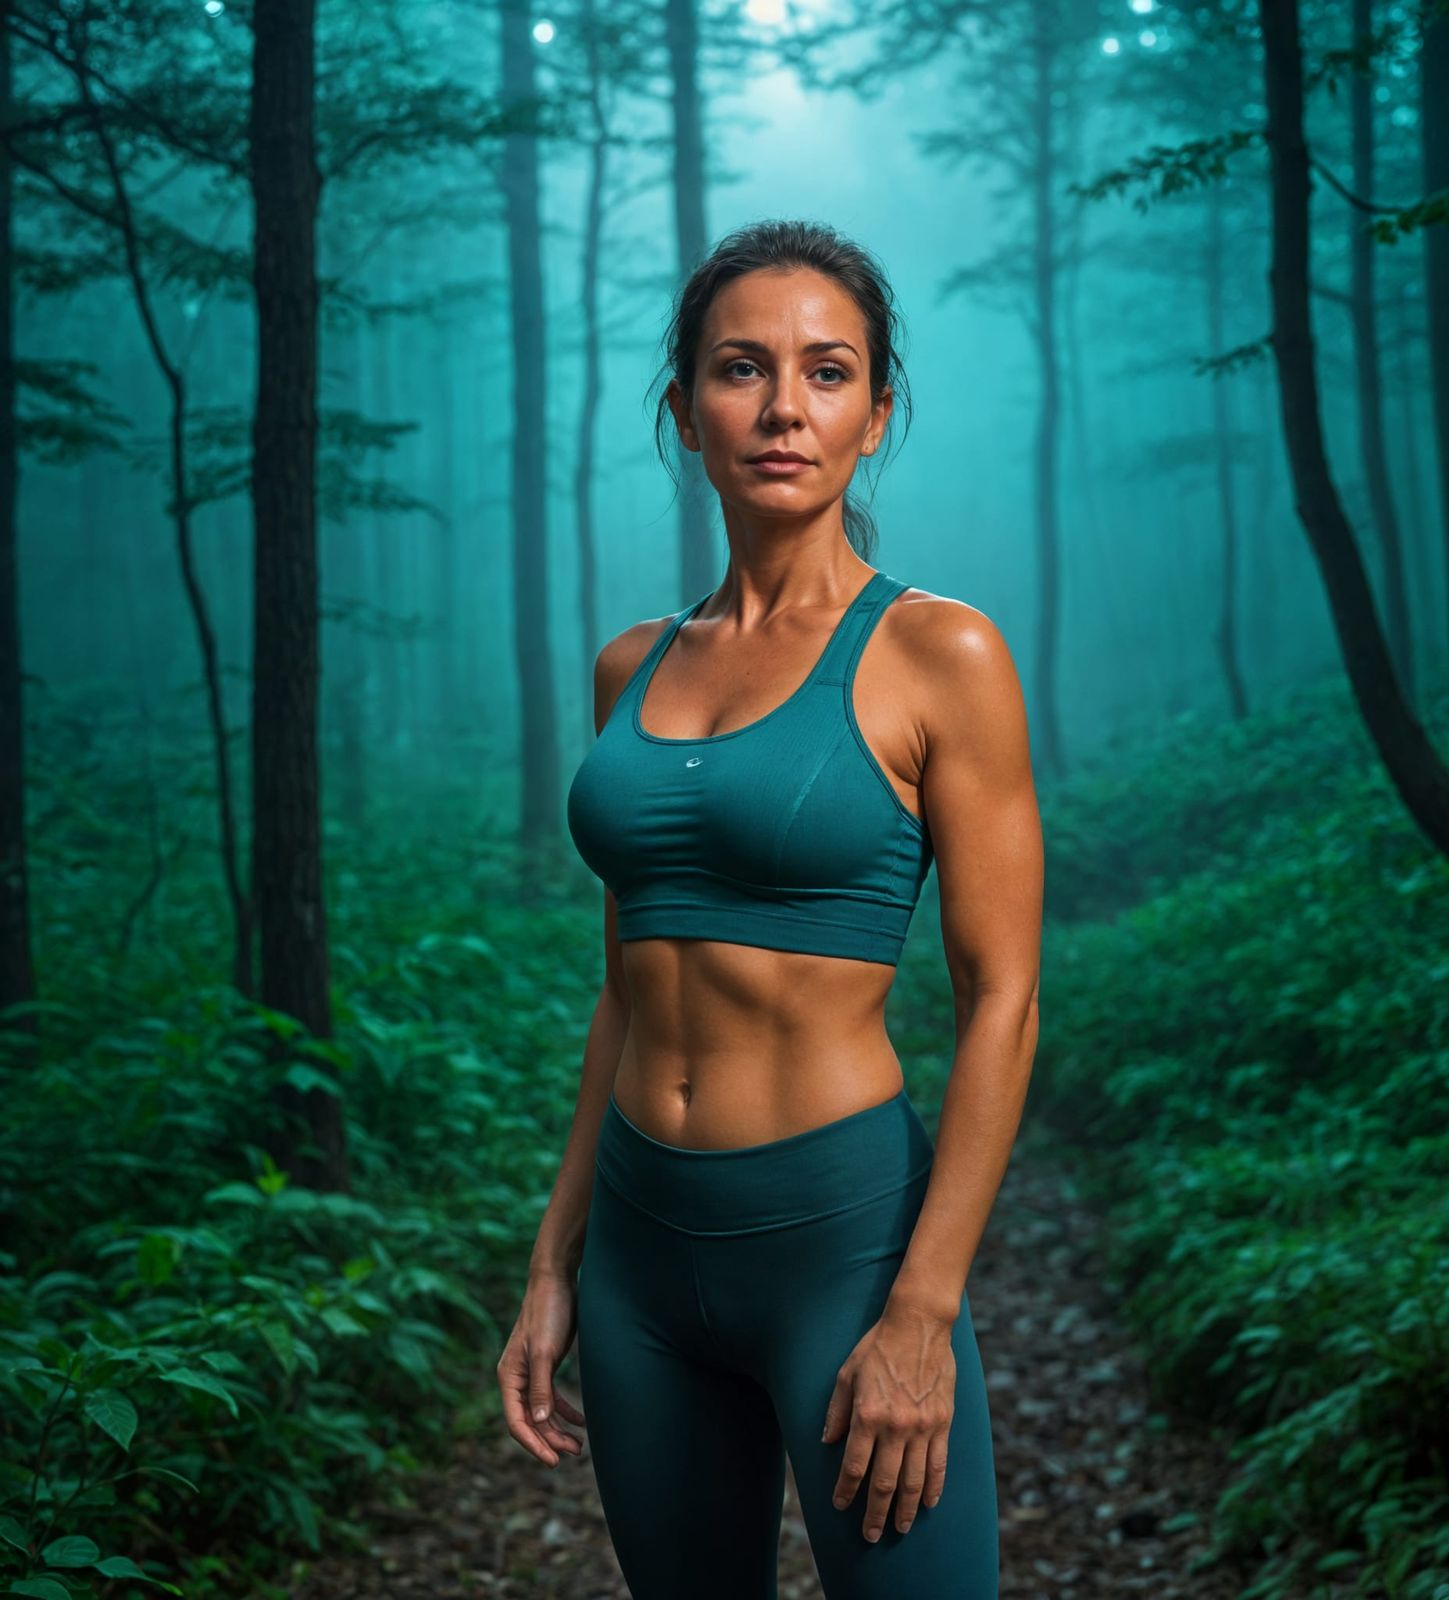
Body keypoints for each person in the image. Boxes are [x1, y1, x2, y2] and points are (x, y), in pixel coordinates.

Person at [497, 217, 1043, 1599]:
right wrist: (554, 1262)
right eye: (742, 369)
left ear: (878, 411)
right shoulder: (635, 664)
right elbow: (626, 988)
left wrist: (923, 1307)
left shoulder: (939, 653)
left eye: (828, 370)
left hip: (841, 1246)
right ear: (684, 410)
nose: (784, 407)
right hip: (638, 1262)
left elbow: (1003, 1000)